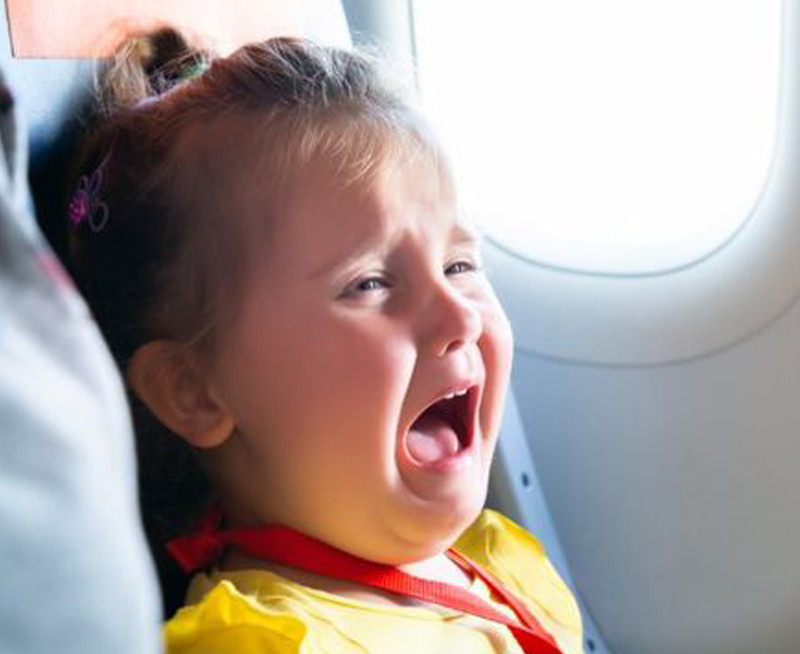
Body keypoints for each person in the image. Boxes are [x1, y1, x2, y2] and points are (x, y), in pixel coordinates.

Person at [61, 24, 586, 654]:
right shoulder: (261, 643)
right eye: (369, 283)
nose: (461, 319)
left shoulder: (501, 569)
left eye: (459, 266)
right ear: (195, 390)